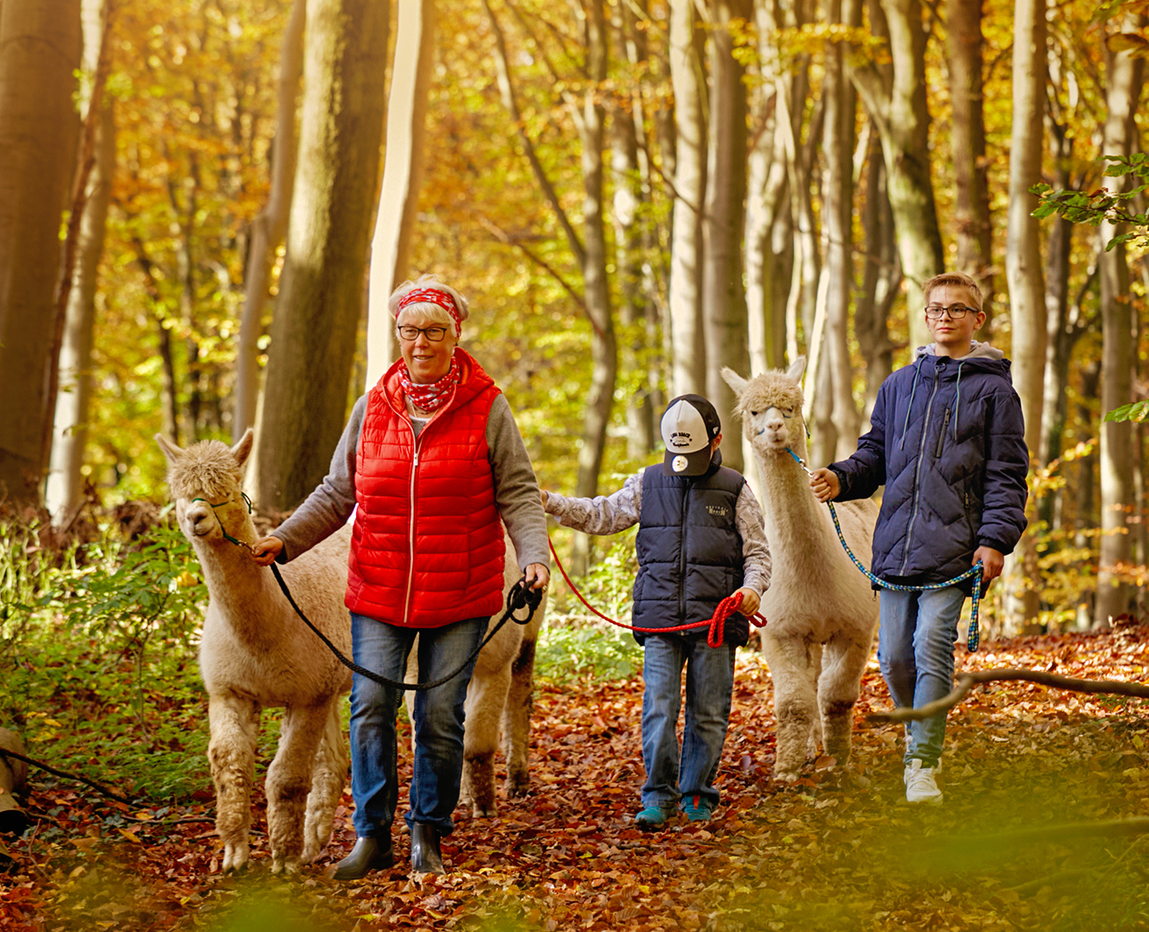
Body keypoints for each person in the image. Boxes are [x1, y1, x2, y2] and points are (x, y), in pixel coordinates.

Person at [250, 276, 550, 878]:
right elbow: (338, 491)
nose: (421, 341)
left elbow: (518, 490)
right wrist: (285, 540)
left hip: (462, 590)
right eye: (411, 330)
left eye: (434, 331)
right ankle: (372, 835)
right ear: (398, 334)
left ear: (454, 335)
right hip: (379, 588)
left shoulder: (487, 407)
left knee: (440, 713)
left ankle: (427, 835)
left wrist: (534, 553)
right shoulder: (373, 406)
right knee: (370, 707)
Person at [808, 272, 1028, 805]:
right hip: (896, 549)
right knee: (894, 662)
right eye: (936, 308)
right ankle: (918, 731)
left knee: (932, 647)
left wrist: (995, 540)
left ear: (978, 320)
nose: (945, 316)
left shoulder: (995, 391)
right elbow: (873, 456)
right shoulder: (898, 386)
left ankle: (921, 763)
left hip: (957, 550)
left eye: (957, 309)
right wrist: (841, 478)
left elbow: (1006, 474)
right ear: (925, 317)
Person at [542, 395, 771, 830]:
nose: (682, 462)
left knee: (708, 711)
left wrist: (751, 588)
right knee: (659, 708)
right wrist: (552, 503)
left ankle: (697, 793)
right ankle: (658, 795)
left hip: (717, 622)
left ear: (717, 440)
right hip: (659, 618)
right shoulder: (648, 482)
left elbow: (758, 552)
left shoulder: (736, 488)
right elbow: (603, 514)